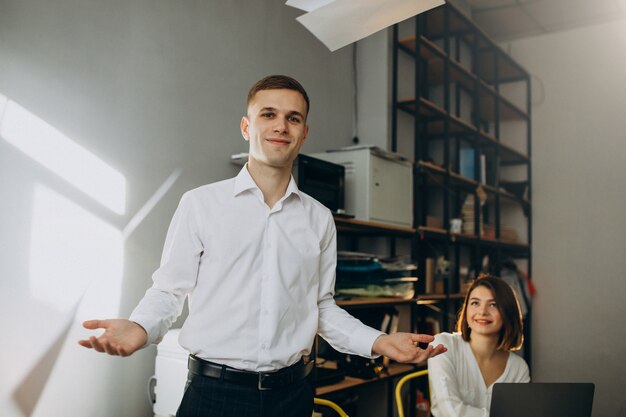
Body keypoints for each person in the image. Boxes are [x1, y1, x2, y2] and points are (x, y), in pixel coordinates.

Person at [79, 75, 446, 417]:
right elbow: (169, 290)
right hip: (214, 395)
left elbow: (321, 309)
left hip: (293, 395)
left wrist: (381, 342)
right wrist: (141, 327)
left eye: (293, 118)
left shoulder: (319, 219)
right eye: (268, 114)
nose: (280, 126)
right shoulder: (200, 204)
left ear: (304, 133)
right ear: (246, 126)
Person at [427, 274, 530, 417]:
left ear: (507, 312)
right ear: (466, 309)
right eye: (475, 303)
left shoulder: (518, 368)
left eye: (493, 305)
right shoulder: (442, 346)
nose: (482, 312)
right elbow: (449, 411)